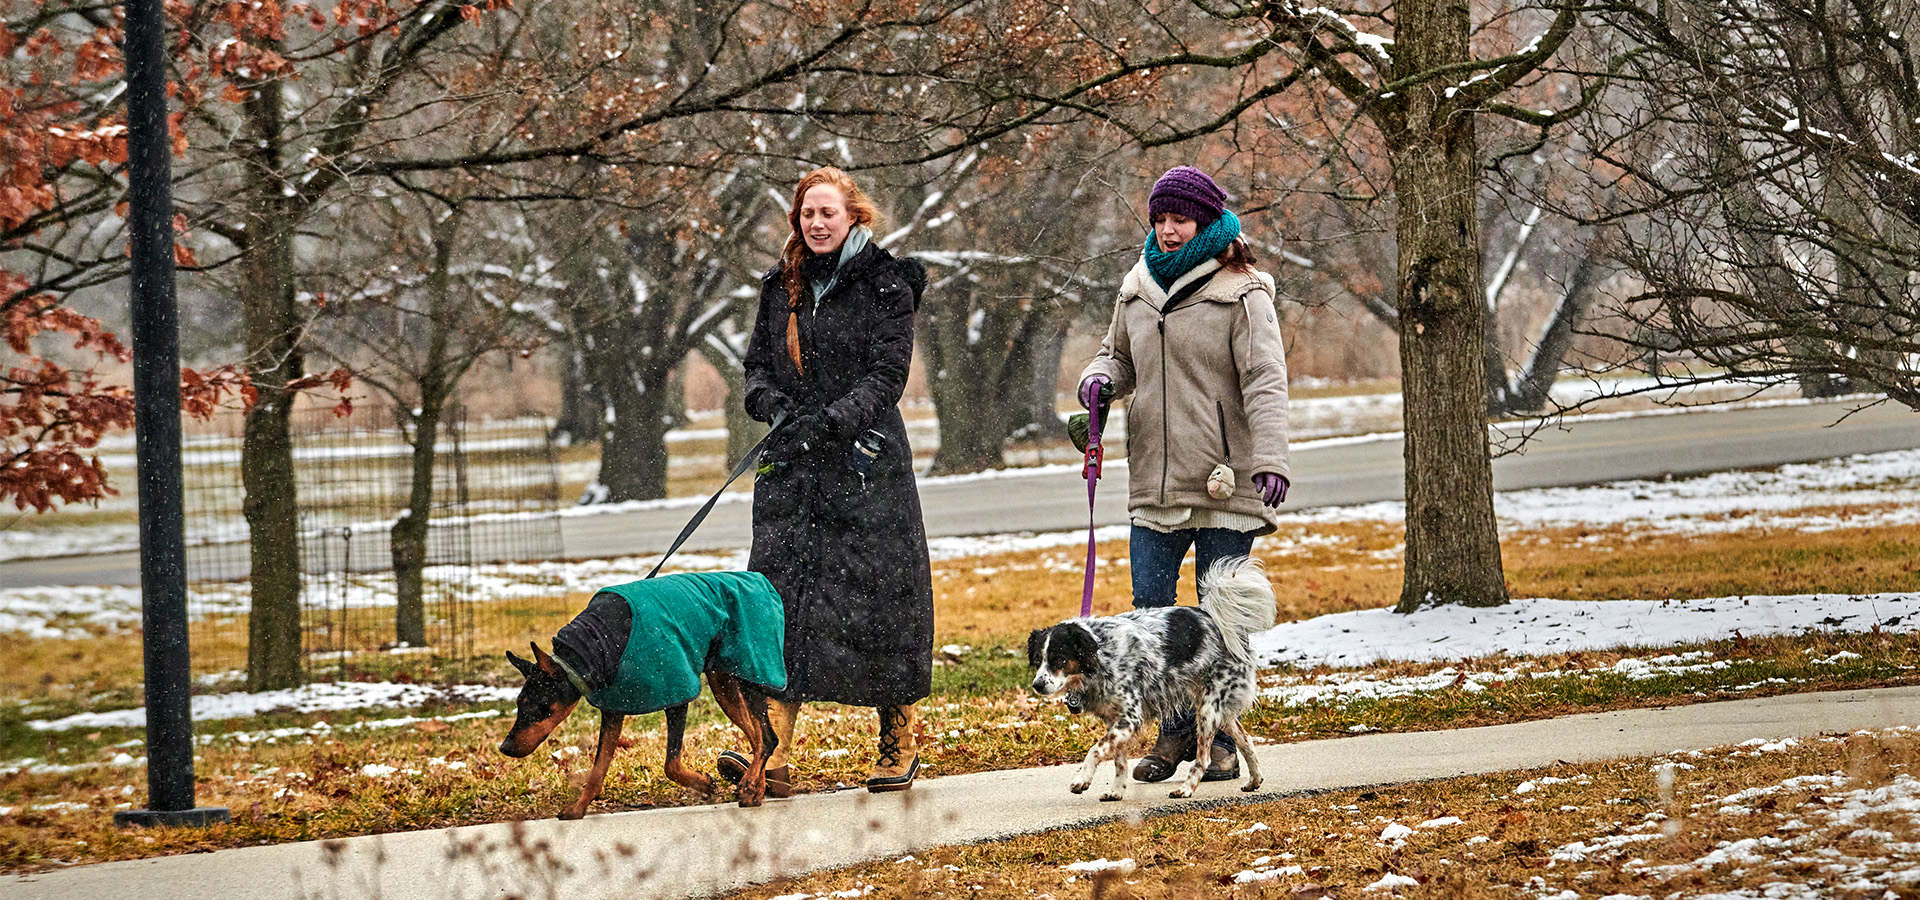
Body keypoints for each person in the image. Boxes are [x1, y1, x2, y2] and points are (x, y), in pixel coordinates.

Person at [717, 166, 935, 795]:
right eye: (807, 214)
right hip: (792, 469)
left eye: (828, 213)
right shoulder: (779, 286)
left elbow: (887, 374)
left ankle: (897, 739)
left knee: (881, 603)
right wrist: (771, 405)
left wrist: (834, 421)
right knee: (781, 601)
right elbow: (757, 365)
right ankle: (773, 751)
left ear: (854, 217)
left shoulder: (887, 284)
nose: (816, 223)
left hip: (867, 466)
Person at [1077, 165, 1291, 784]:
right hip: (1155, 479)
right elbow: (1115, 356)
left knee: (1218, 619)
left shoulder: (1243, 290)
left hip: (1226, 477)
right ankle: (1172, 738)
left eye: (1180, 219)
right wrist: (1099, 381)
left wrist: (1271, 459)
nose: (1169, 231)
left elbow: (1265, 381)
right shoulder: (1136, 285)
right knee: (1151, 616)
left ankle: (1220, 743)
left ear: (1205, 221)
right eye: (1160, 219)